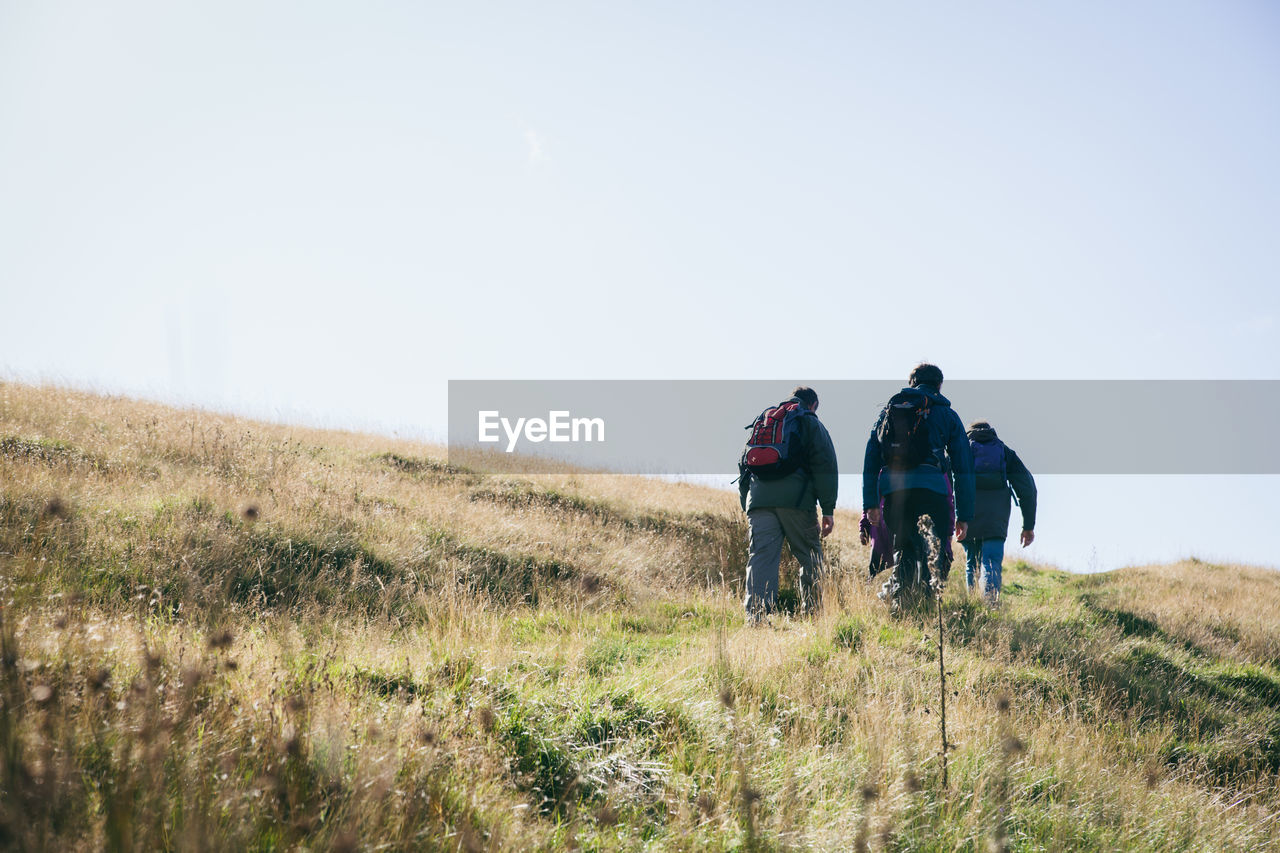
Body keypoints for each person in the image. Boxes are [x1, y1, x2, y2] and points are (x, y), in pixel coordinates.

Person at [862, 364, 974, 598]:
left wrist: (870, 503)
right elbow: (963, 467)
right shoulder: (947, 415)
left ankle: (901, 606)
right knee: (930, 550)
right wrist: (964, 515)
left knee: (905, 548)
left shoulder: (890, 411)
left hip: (895, 493)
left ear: (911, 382)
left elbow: (871, 456)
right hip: (932, 492)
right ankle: (924, 605)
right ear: (939, 385)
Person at [738, 386, 837, 621]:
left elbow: (744, 463)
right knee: (809, 556)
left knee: (761, 557)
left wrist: (747, 503)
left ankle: (758, 618)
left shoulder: (766, 420)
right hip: (796, 501)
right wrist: (828, 509)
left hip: (759, 501)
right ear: (813, 405)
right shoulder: (809, 421)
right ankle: (813, 615)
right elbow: (826, 465)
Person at [964, 421, 1037, 603]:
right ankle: (990, 604)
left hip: (968, 513)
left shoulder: (963, 450)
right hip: (996, 516)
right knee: (991, 561)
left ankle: (973, 604)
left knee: (972, 562)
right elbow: (1028, 488)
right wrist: (1028, 526)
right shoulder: (1004, 451)